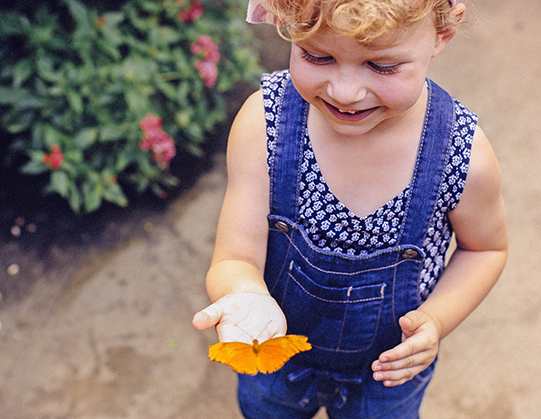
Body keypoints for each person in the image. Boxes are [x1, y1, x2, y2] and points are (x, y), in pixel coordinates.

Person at [192, 0, 508, 417]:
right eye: (317, 55)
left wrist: (435, 319)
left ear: (441, 35)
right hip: (272, 355)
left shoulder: (460, 156)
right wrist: (244, 293)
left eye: (381, 66)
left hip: (386, 377)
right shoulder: (265, 125)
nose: (345, 92)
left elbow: (485, 250)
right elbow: (235, 256)